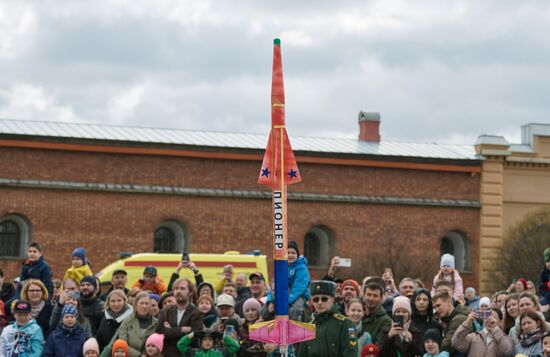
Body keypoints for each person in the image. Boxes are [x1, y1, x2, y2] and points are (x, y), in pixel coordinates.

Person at [298, 280, 357, 357]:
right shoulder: (308, 328)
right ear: (312, 301)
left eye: (324, 299)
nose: (319, 302)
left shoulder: (345, 324)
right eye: (316, 299)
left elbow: (350, 353)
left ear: (332, 300)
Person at [156, 277, 203, 356]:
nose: (178, 291)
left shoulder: (196, 313)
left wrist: (171, 331)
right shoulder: (165, 311)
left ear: (190, 292)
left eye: (182, 288)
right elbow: (160, 333)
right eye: (176, 288)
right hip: (168, 354)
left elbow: (195, 337)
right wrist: (181, 330)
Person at [118, 291, 158, 357]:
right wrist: (139, 355)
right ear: (136, 305)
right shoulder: (127, 321)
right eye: (141, 303)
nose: (144, 306)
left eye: (147, 303)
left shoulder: (156, 323)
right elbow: (122, 344)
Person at [431, 291, 468, 356]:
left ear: (448, 302)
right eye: (434, 307)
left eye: (438, 305)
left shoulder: (458, 319)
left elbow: (447, 345)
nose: (436, 310)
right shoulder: (447, 320)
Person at [361, 278, 392, 348]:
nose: (371, 299)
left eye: (375, 296)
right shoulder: (357, 314)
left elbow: (379, 345)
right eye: (368, 295)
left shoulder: (386, 321)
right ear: (363, 295)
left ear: (381, 298)